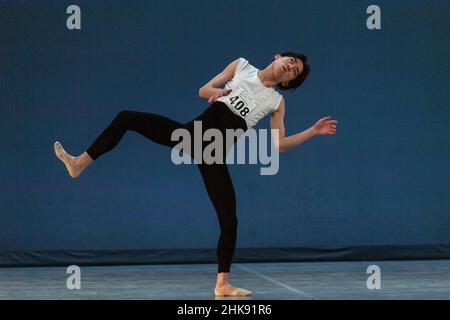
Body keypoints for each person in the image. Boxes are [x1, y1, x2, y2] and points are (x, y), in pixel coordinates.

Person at [54, 52, 338, 297]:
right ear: (278, 57)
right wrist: (217, 92)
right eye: (290, 62)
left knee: (230, 219)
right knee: (126, 117)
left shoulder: (276, 101)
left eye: (294, 72)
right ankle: (79, 163)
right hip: (190, 135)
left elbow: (278, 146)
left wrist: (313, 131)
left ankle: (222, 285)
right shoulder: (242, 66)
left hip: (212, 153)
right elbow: (204, 89)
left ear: (288, 82)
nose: (290, 67)